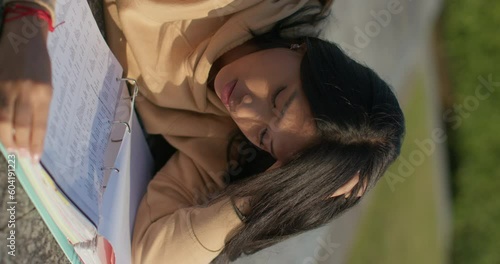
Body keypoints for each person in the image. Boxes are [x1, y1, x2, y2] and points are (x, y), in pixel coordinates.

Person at [0, 0, 405, 263]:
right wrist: (31, 20)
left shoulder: (226, 145)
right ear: (308, 53)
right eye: (279, 98)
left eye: (265, 137)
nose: (246, 110)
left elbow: (150, 256)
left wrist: (271, 196)